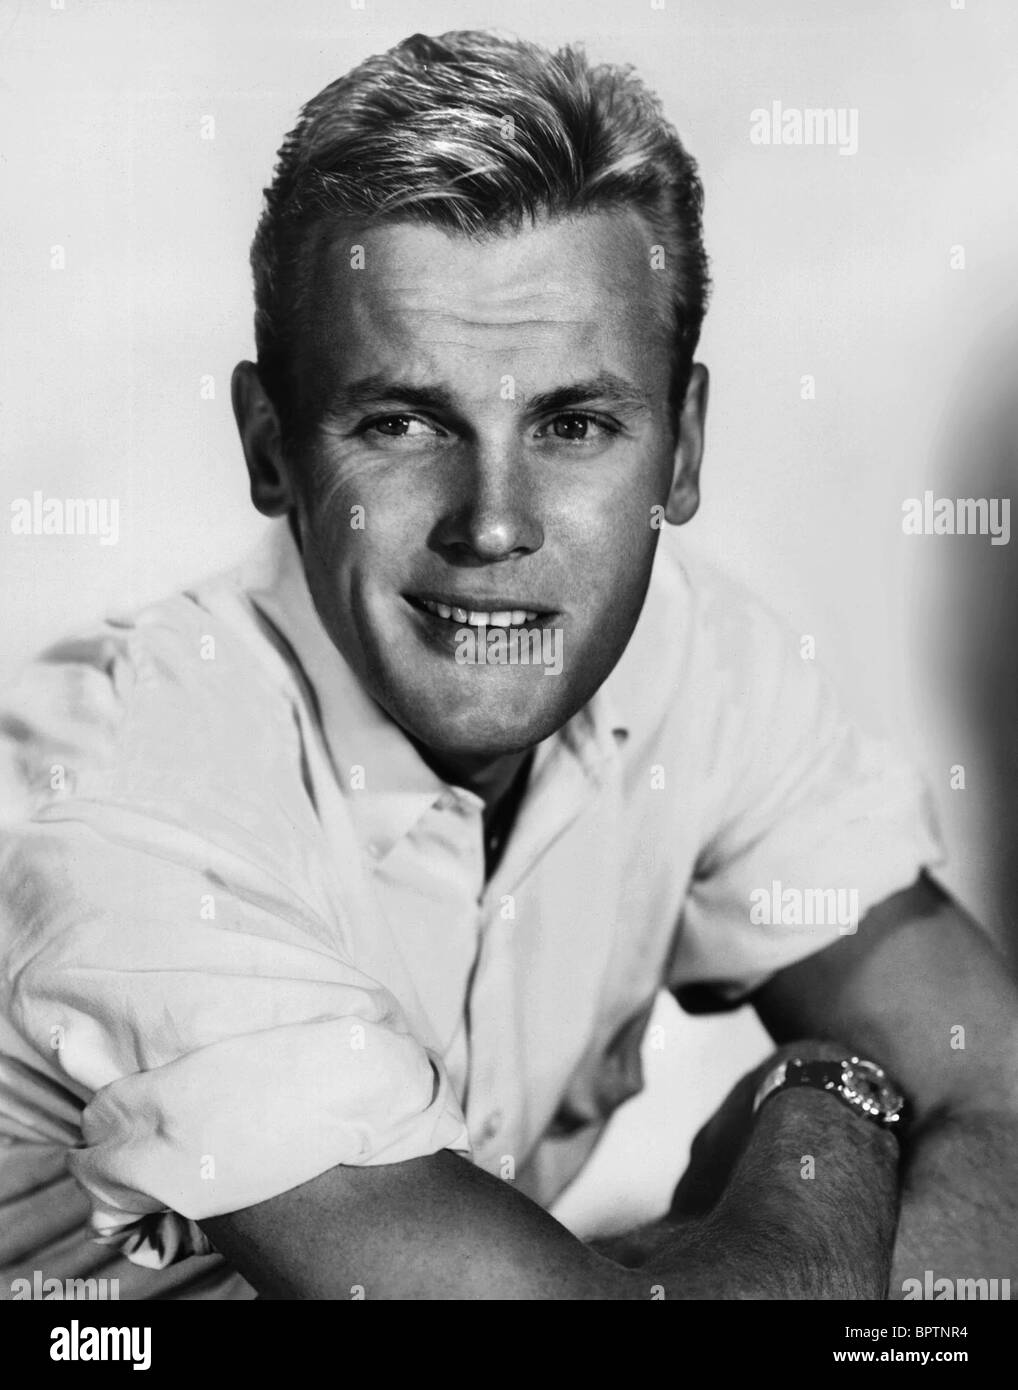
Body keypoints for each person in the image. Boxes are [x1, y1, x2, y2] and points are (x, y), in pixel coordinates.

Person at [1, 30, 1016, 1301]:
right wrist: (825, 1099)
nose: (492, 523)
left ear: (682, 451)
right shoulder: (137, 799)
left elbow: (999, 1095)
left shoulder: (704, 670)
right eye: (402, 422)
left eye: (574, 424)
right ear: (270, 449)